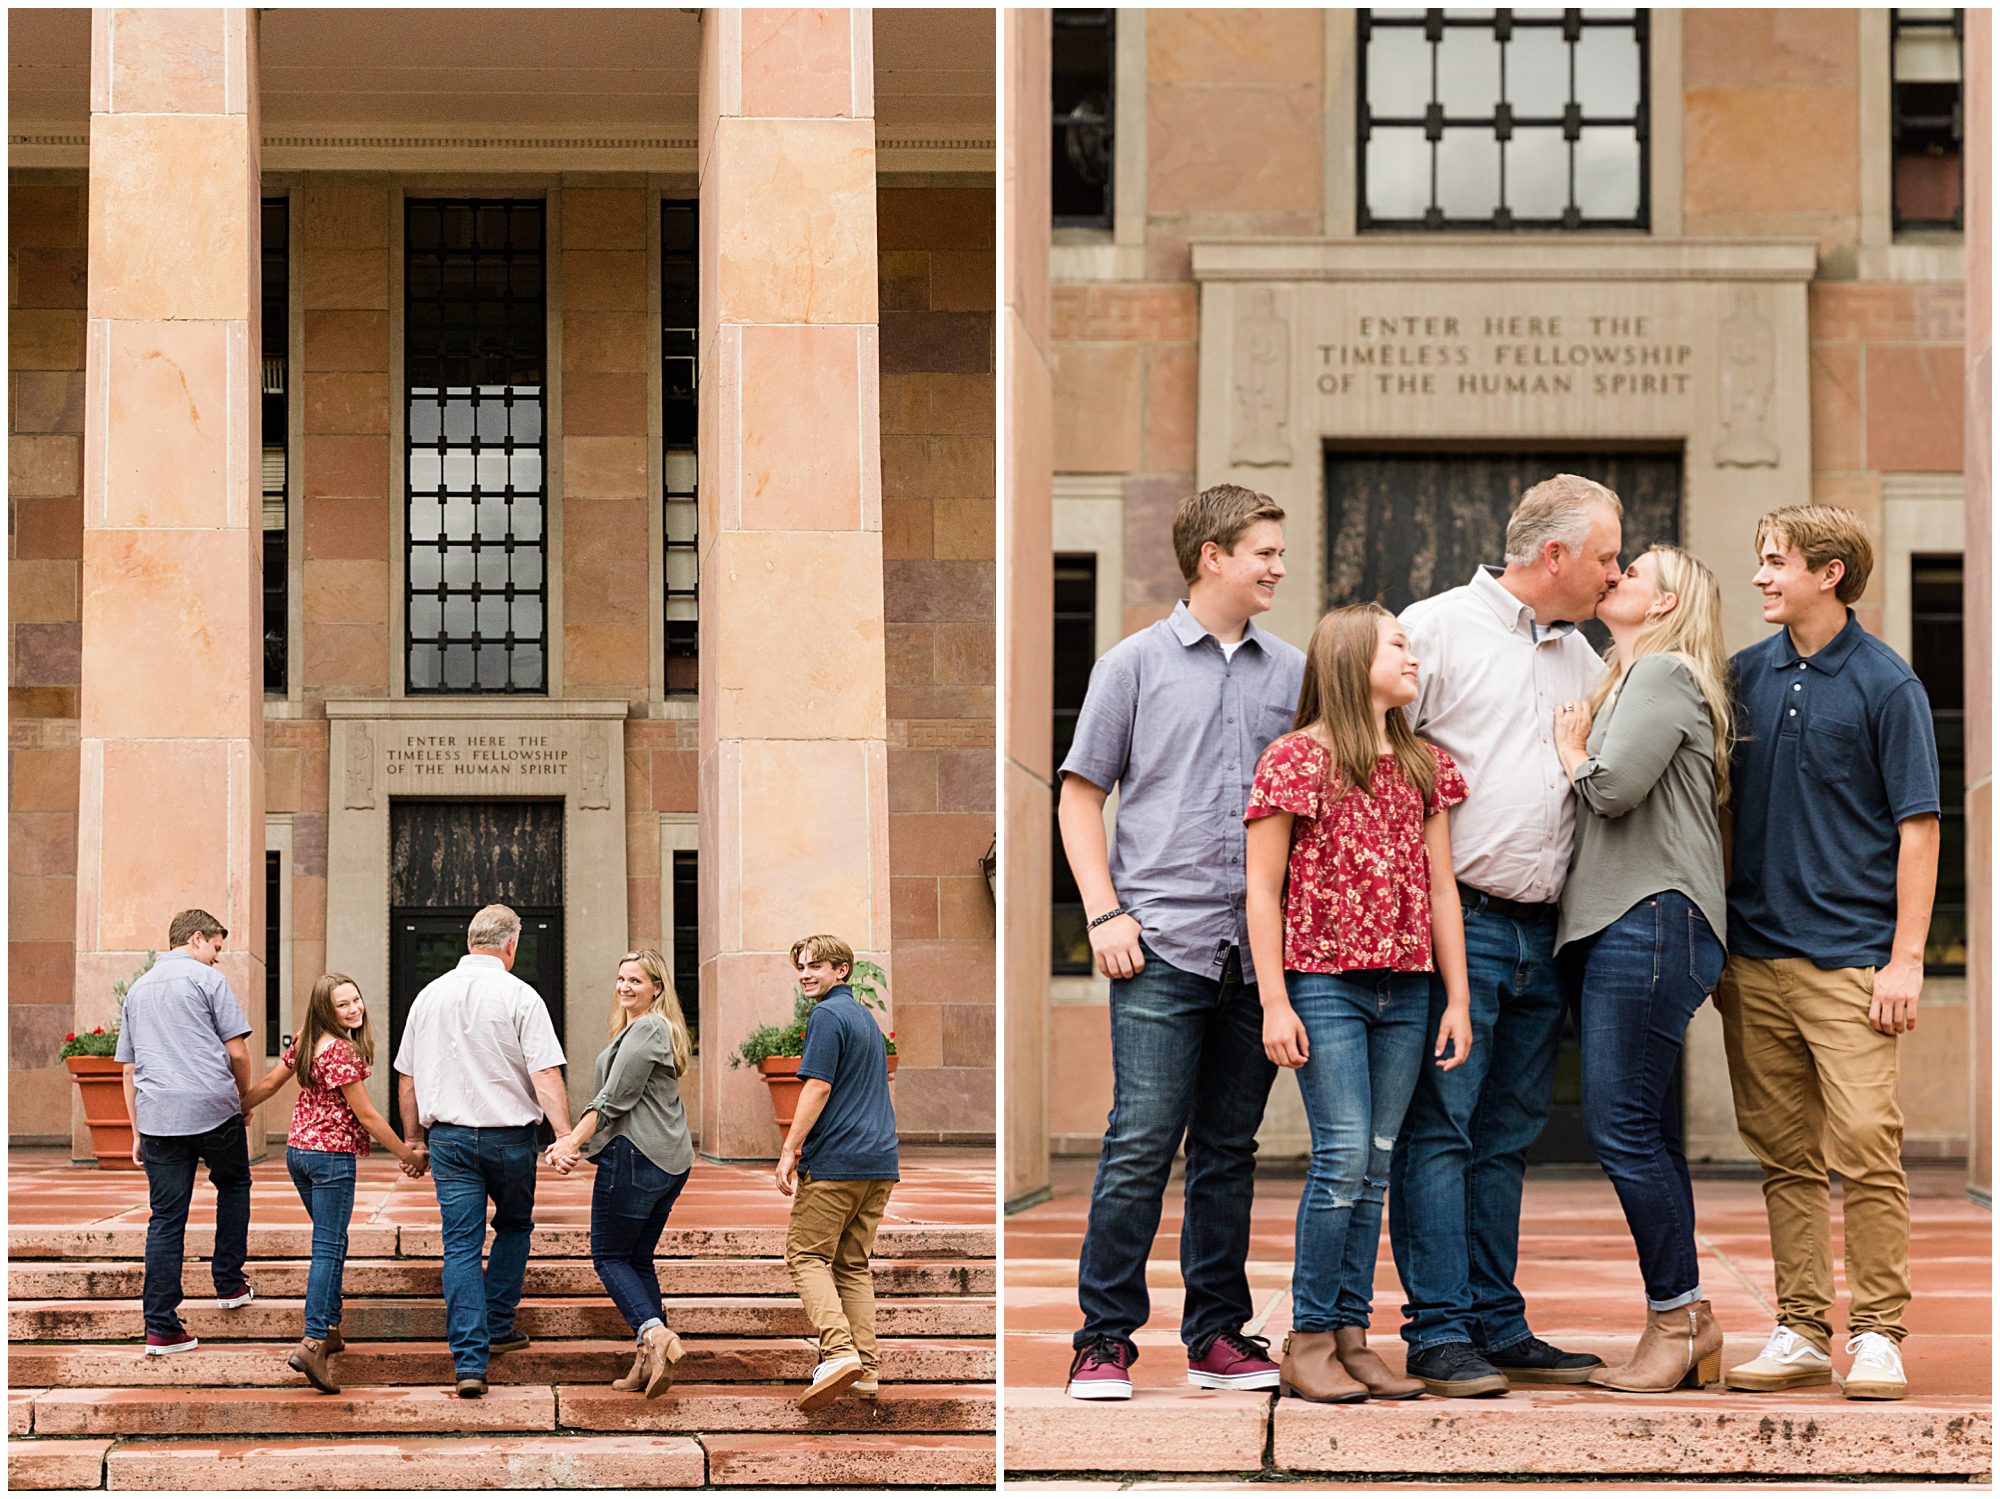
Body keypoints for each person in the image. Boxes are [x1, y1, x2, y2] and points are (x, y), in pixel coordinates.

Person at [1057, 482, 1307, 1401]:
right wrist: (1103, 912)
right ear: (1213, 556)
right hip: (1161, 941)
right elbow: (1081, 792)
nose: (1279, 565)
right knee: (1140, 1140)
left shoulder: (1295, 671)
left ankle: (1216, 1337)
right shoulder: (1131, 664)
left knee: (1228, 1149)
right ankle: (1102, 1340)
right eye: (1265, 551)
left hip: (1259, 950)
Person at [1388, 474, 1622, 1396]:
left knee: (1508, 1134)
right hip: (1463, 928)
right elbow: (1380, 759)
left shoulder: (1587, 656)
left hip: (1547, 934)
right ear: (1554, 555)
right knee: (1441, 1130)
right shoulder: (1436, 626)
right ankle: (1438, 1331)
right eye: (1606, 555)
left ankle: (1496, 1319)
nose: (1615, 571)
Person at [1716, 505, 1939, 1402]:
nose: (1763, 577)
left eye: (1777, 563)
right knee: (1784, 1157)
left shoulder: (1888, 684)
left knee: (1867, 1149)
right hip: (1755, 961)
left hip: (1852, 961)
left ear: (1830, 572)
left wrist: (1907, 958)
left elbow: (1918, 830)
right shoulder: (1741, 676)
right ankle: (1803, 1328)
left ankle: (1880, 1332)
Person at [1246, 603, 1473, 1403]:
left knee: (1376, 1165)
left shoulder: (1423, 765)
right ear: (1351, 659)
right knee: (1342, 1157)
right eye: (1398, 645)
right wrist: (1275, 1000)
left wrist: (1458, 997)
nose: (1414, 658)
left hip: (1408, 989)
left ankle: (1351, 1333)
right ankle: (1307, 1335)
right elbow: (1263, 887)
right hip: (1326, 983)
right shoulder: (1295, 760)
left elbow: (1443, 886)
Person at [1551, 546, 1733, 1392]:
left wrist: (1570, 753)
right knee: (1649, 1132)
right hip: (1635, 920)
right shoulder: (1627, 677)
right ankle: (1688, 1321)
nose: (1616, 576)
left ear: (1665, 605)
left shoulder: (1661, 674)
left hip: (1650, 915)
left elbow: (1615, 785)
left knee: (1621, 1127)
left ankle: (1676, 1317)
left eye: (1635, 572)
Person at [394, 903, 571, 1399]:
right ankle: (497, 1326)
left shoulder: (428, 996)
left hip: (448, 1139)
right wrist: (563, 1136)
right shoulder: (520, 995)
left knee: (461, 1245)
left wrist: (412, 1140)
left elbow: (407, 1077)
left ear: (469, 941)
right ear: (511, 945)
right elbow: (544, 1073)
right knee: (514, 1226)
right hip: (510, 1138)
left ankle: (469, 1362)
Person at [241, 973, 428, 1393]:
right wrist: (408, 1156)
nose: (354, 1009)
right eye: (343, 1004)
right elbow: (368, 1117)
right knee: (327, 1246)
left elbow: (271, 1083)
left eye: (356, 1000)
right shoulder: (341, 1052)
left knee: (334, 1240)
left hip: (299, 1153)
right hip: (330, 1160)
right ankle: (312, 1341)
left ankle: (332, 1326)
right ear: (328, 1009)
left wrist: (238, 1108)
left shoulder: (309, 1038)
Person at [545, 949, 696, 1400]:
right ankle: (646, 1361)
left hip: (637, 1158)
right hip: (666, 1159)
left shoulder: (648, 1027)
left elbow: (615, 1098)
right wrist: (577, 1141)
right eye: (621, 978)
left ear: (657, 988)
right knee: (637, 1259)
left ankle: (656, 1334)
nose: (625, 986)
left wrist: (571, 1141)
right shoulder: (646, 1028)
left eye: (636, 980)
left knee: (609, 1258)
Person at [116, 908, 258, 1356]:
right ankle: (230, 1283)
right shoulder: (207, 981)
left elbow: (129, 1069)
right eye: (216, 947)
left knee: (165, 1218)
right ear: (196, 939)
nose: (217, 958)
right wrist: (242, 1100)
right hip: (213, 1108)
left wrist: (137, 1131)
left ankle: (161, 1327)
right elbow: (238, 1053)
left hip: (158, 1117)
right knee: (233, 1184)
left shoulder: (137, 989)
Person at [773, 934, 900, 1412]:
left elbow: (818, 1087)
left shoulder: (827, 1015)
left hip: (838, 1162)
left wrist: (789, 1150)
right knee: (851, 1264)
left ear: (841, 970)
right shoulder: (864, 1017)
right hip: (880, 1163)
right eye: (801, 967)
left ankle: (839, 1351)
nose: (806, 974)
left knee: (805, 1256)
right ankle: (864, 1371)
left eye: (817, 967)